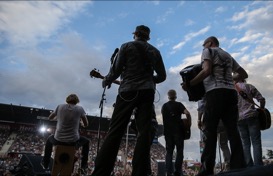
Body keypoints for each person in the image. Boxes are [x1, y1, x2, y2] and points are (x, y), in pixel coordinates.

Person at [92, 25, 166, 176]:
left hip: (127, 91)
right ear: (148, 37)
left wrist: (106, 80)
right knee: (144, 133)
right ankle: (141, 173)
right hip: (147, 92)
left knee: (116, 130)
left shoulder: (126, 46)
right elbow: (163, 76)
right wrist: (150, 80)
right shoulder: (155, 51)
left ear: (135, 34)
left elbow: (116, 70)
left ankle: (101, 172)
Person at [182, 36, 248, 176]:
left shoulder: (208, 52)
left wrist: (190, 84)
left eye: (204, 44)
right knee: (233, 131)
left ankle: (207, 169)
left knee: (209, 131)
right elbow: (243, 74)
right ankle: (239, 166)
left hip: (215, 92)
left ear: (210, 43)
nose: (203, 46)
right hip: (230, 93)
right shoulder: (227, 54)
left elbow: (206, 70)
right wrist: (230, 79)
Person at [41, 94, 90, 173]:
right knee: (87, 141)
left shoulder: (59, 106)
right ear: (77, 101)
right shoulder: (80, 109)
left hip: (58, 139)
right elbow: (86, 124)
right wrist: (81, 123)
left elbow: (50, 118)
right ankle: (84, 166)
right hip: (73, 141)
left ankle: (45, 163)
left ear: (67, 100)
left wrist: (59, 118)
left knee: (49, 140)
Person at [234, 79, 266, 167]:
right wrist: (262, 109)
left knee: (245, 144)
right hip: (251, 116)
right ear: (244, 79)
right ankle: (258, 166)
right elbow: (261, 99)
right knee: (256, 142)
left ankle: (249, 167)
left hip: (239, 119)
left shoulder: (232, 90)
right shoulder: (249, 86)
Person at [161, 89, 191, 176]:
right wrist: (189, 123)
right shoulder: (179, 105)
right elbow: (187, 113)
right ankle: (178, 171)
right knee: (179, 151)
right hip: (178, 131)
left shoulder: (164, 106)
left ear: (168, 96)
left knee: (169, 152)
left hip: (167, 132)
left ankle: (168, 172)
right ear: (175, 96)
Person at [197, 98, 231, 172]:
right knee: (224, 145)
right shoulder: (222, 89)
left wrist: (199, 119)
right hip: (222, 121)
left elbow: (201, 107)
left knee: (210, 145)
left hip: (210, 120)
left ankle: (209, 167)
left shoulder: (204, 92)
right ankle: (228, 165)